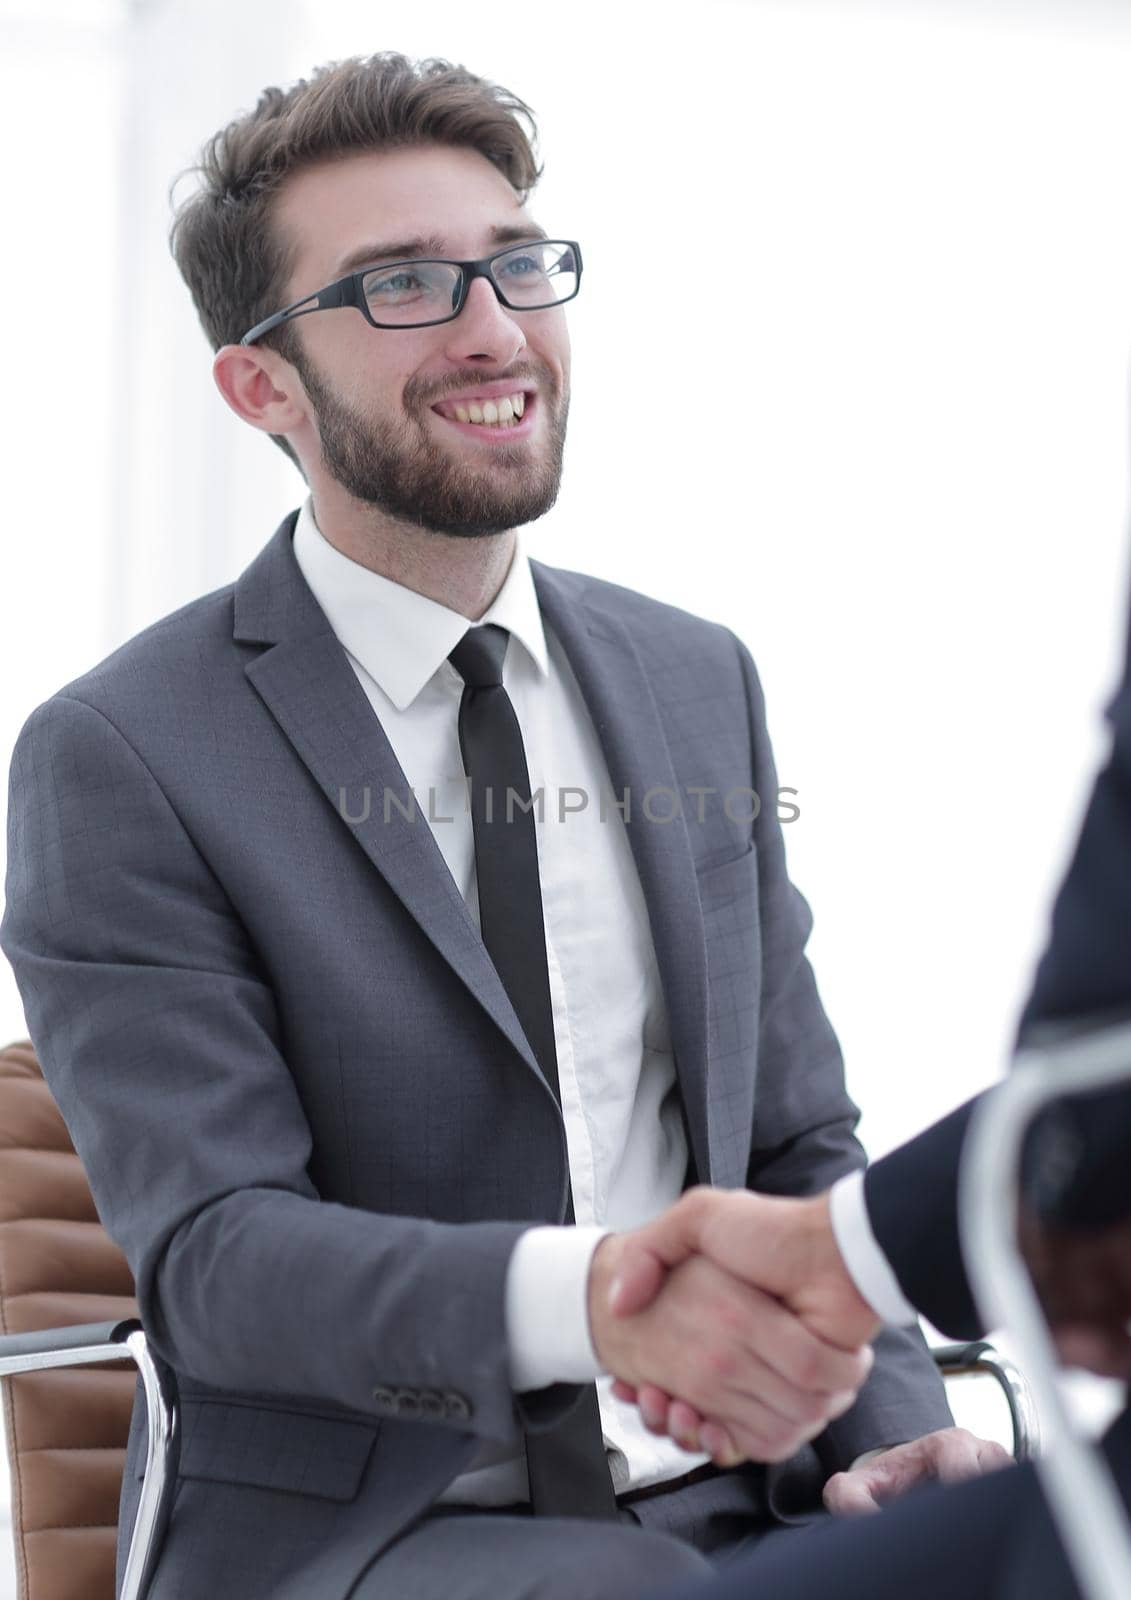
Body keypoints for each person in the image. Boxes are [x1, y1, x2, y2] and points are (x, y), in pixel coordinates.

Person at [0, 52, 1001, 1600]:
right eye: (400, 285)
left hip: (754, 1502)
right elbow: (219, 1264)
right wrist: (590, 1300)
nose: (491, 329)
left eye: (515, 265)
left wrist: (885, 1433)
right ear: (261, 385)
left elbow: (794, 1143)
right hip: (380, 1533)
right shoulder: (123, 752)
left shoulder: (689, 679)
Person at [607, 602, 1131, 1596]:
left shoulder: (697, 675)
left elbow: (1087, 1071)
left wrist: (904, 1414)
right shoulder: (214, 730)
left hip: (781, 1504)